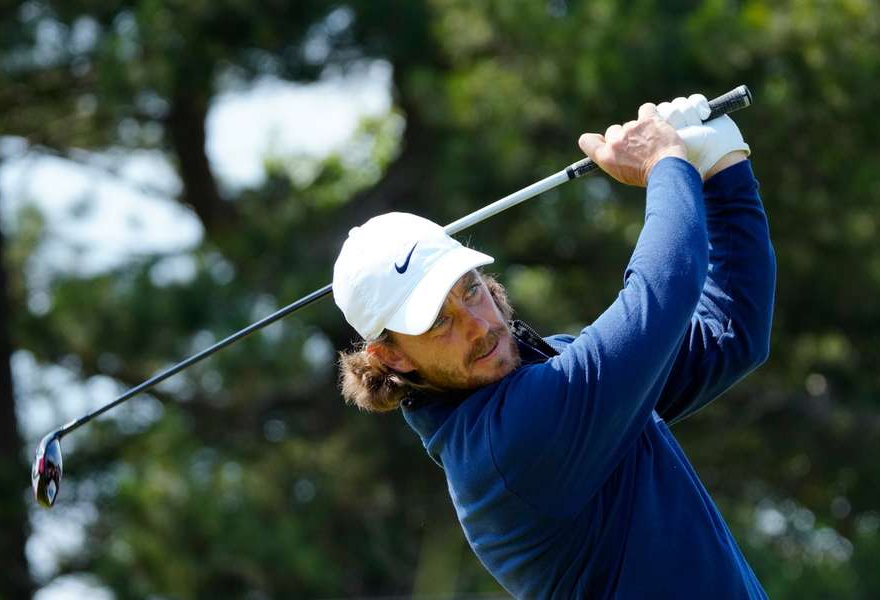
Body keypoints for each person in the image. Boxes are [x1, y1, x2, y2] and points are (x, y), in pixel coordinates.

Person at [331, 95, 776, 599]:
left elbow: (732, 334)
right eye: (438, 322)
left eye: (471, 288)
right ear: (392, 357)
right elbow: (664, 290)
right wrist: (666, 163)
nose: (478, 325)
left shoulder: (553, 374)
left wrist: (722, 169)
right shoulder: (510, 442)